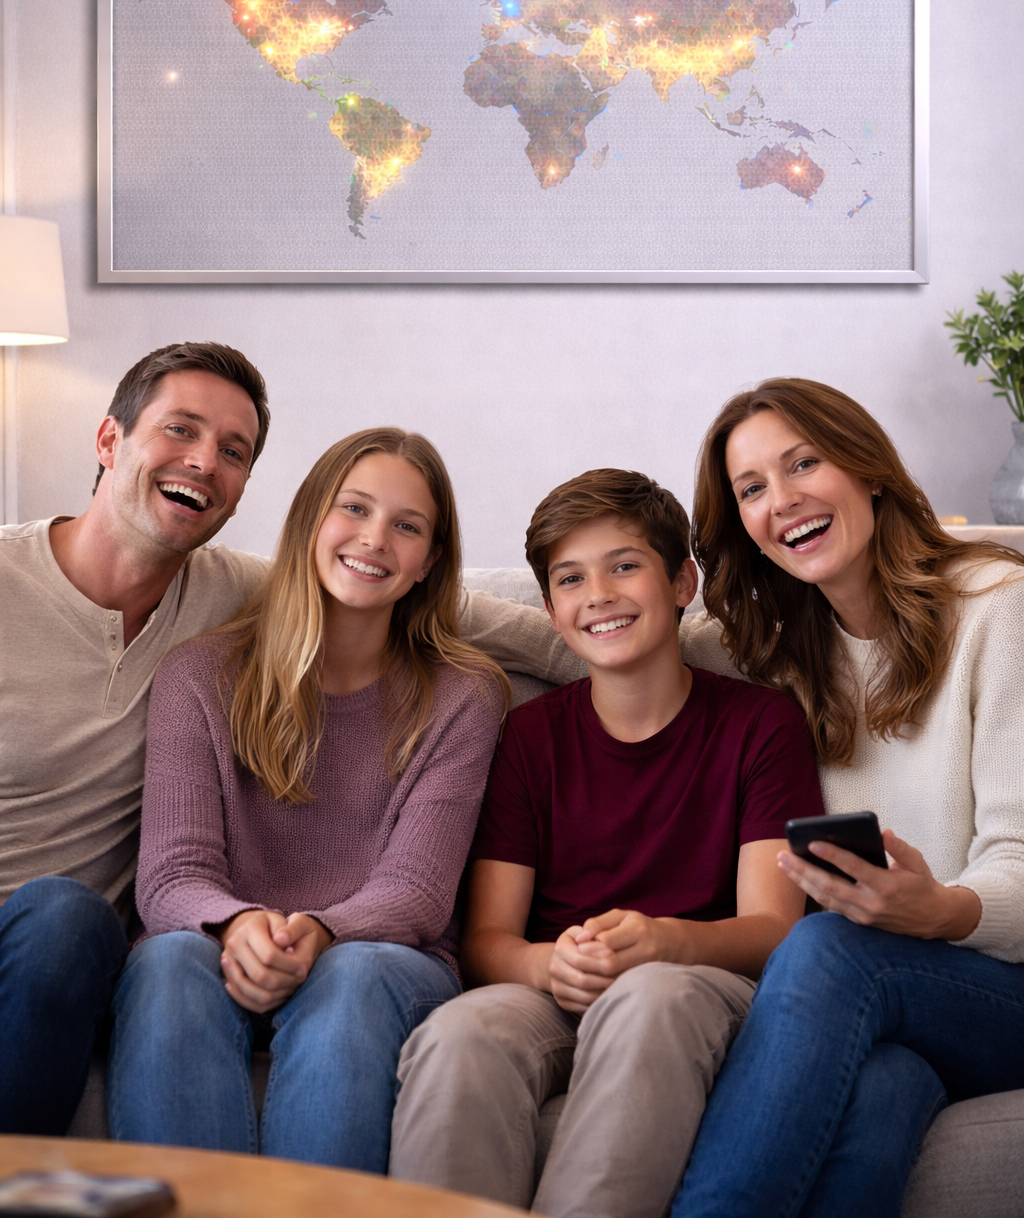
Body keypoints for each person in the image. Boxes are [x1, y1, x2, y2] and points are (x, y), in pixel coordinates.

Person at [390, 469, 823, 1218]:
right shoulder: (528, 735)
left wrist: (664, 943)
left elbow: (775, 930)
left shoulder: (762, 725)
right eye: (570, 579)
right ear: (552, 609)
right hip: (560, 987)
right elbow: (489, 939)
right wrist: (549, 964)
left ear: (682, 582)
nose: (599, 595)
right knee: (460, 1034)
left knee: (649, 998)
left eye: (624, 565)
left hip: (694, 983)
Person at [106, 428, 509, 1170]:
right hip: (219, 946)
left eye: (407, 526)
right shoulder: (200, 675)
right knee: (166, 961)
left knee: (353, 974)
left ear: (427, 564)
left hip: (381, 959)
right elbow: (171, 876)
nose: (375, 539)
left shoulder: (466, 695)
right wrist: (236, 926)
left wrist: (320, 931)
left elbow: (416, 893)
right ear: (310, 523)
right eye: (353, 508)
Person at [671, 378, 1024, 1218]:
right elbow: (614, 624)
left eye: (804, 464)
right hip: (897, 998)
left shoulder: (997, 610)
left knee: (828, 947)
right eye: (752, 489)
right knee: (884, 1088)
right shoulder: (777, 646)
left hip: (998, 981)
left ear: (867, 470)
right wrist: (413, 603)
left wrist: (938, 909)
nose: (781, 500)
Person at [0, 341, 270, 1136]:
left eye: (233, 451)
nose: (204, 462)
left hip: (61, 953)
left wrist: (645, 644)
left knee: (67, 915)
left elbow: (449, 612)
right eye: (180, 430)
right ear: (110, 440)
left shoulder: (235, 596)